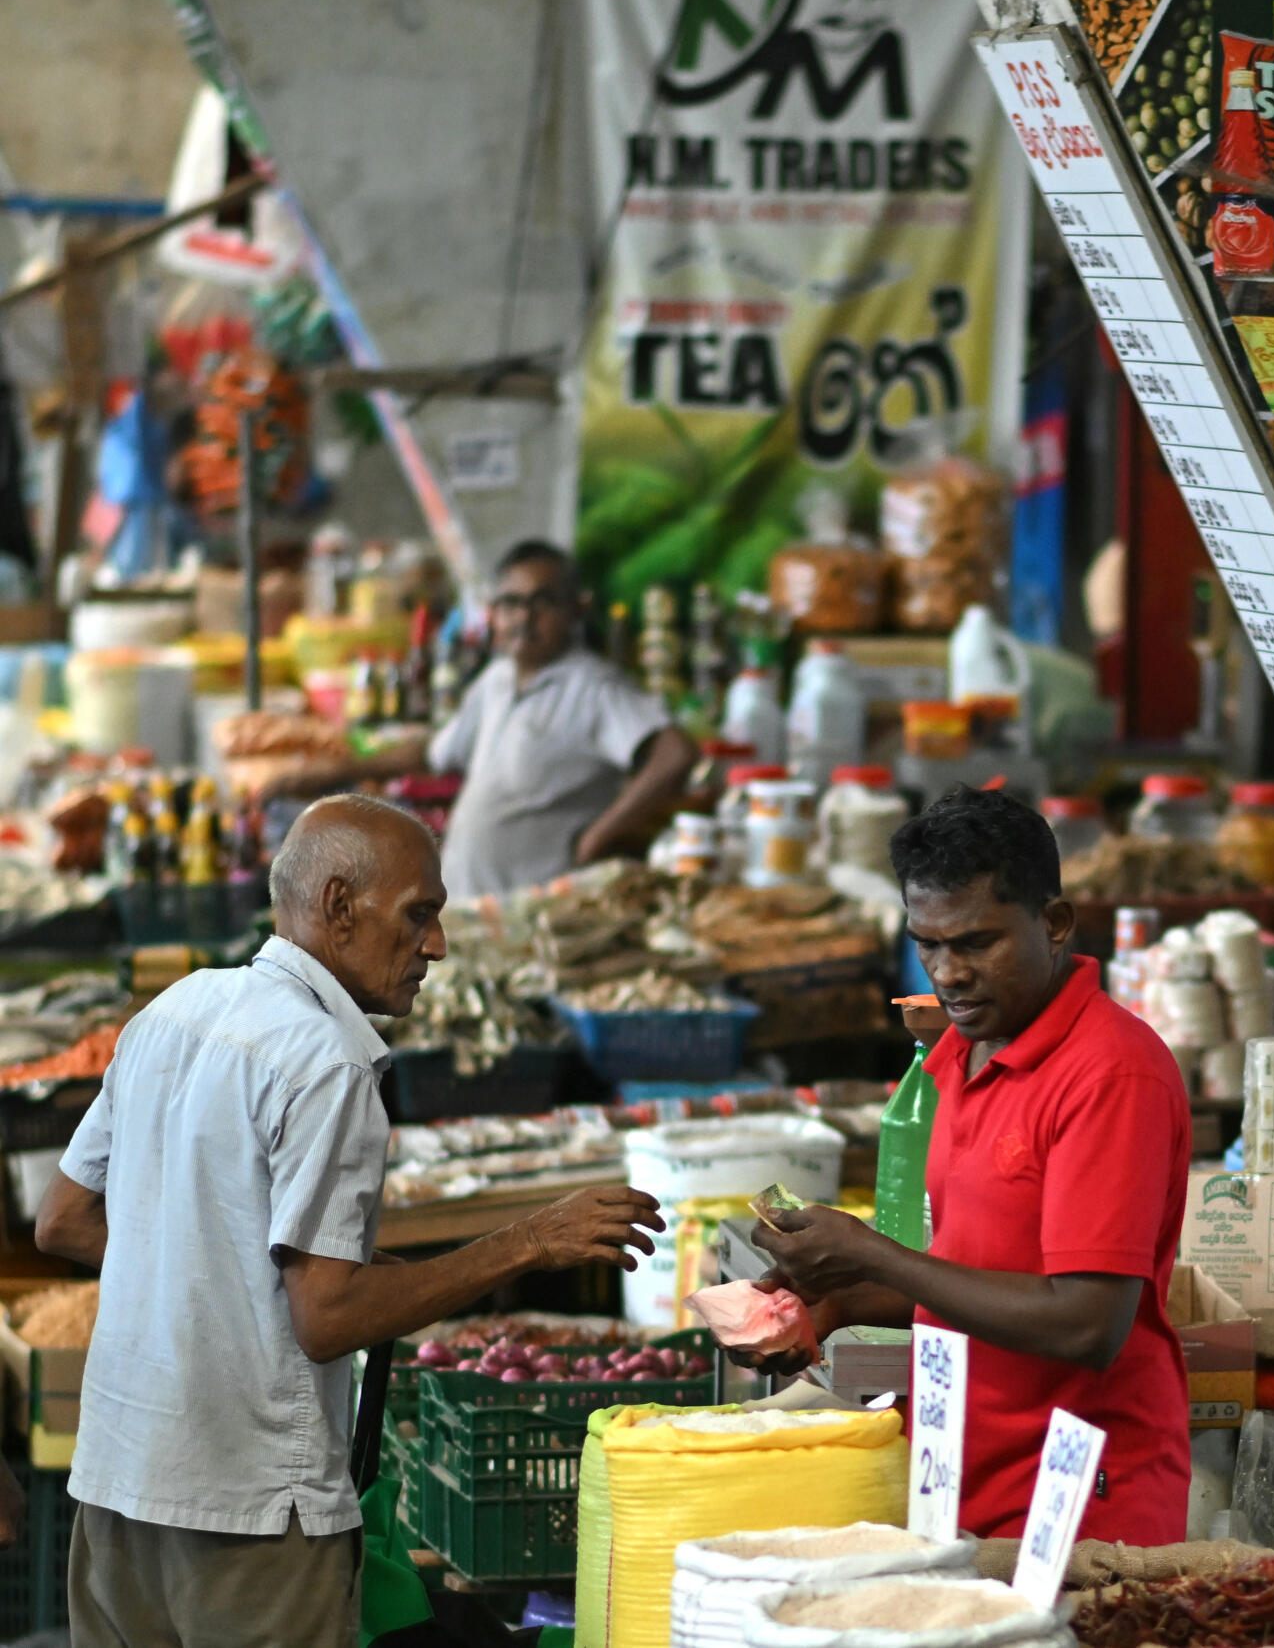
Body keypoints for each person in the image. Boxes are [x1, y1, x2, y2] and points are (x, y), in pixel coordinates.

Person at [37, 794, 664, 1647]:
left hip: (116, 1488)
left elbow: (65, 1219)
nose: (435, 946)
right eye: (419, 915)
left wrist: (209, 1269)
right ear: (339, 906)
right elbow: (326, 1317)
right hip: (249, 1515)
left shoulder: (174, 1012)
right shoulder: (327, 1062)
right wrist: (527, 1239)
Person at [748, 787, 1192, 1543]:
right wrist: (844, 1300)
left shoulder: (1112, 1074)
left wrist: (873, 1254)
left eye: (976, 942)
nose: (947, 972)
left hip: (1078, 1503)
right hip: (965, 1481)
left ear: (1053, 924)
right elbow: (980, 1272)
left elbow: (1087, 1322)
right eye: (928, 944)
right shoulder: (961, 1052)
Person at [272, 540, 695, 900]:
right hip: (468, 904)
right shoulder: (497, 678)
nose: (524, 617)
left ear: (575, 610)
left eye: (543, 602)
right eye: (511, 603)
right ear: (493, 613)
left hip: (538, 913)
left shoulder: (593, 686)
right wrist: (336, 771)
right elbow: (434, 753)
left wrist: (596, 839)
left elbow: (676, 754)